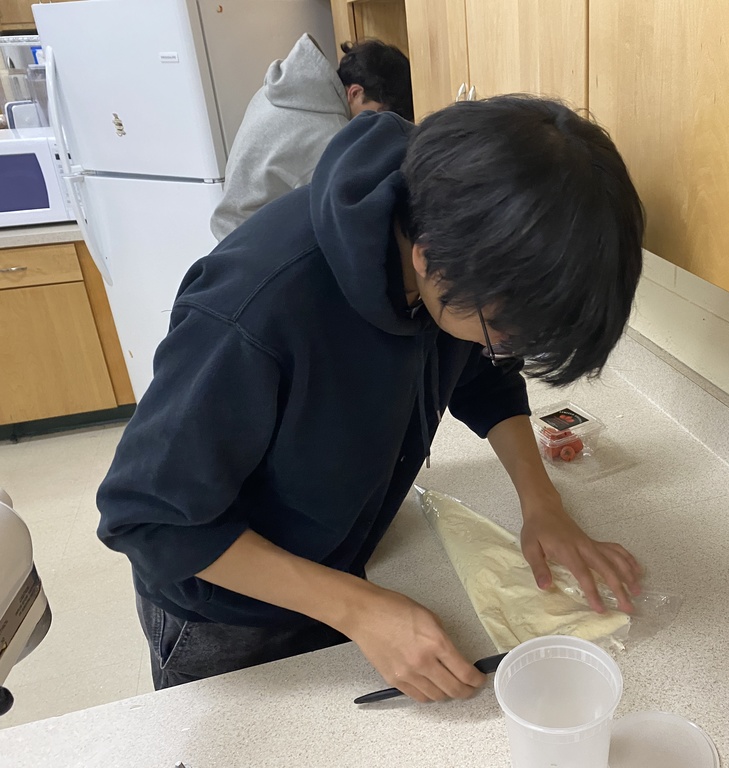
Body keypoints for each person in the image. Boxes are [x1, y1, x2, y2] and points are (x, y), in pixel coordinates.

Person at [97, 96, 645, 701]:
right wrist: (358, 609)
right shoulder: (256, 309)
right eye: (503, 332)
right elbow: (149, 520)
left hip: (338, 564)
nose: (503, 348)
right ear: (430, 261)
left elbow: (482, 374)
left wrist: (543, 505)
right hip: (226, 608)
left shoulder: (449, 233)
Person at [210, 35, 413, 241]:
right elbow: (341, 218)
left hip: (230, 231)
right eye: (378, 112)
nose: (377, 124)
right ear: (355, 93)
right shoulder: (329, 133)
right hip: (256, 248)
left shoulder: (276, 90)